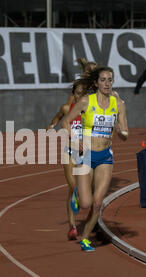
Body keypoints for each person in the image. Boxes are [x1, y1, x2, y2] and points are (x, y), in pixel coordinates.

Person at [62, 66, 128, 252]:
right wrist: (76, 140)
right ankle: (76, 193)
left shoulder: (119, 104)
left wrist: (120, 132)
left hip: (105, 156)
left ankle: (85, 239)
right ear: (96, 83)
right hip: (87, 155)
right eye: (103, 80)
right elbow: (65, 122)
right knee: (85, 204)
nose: (107, 83)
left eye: (110, 80)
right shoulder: (86, 101)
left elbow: (125, 133)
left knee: (98, 202)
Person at [46, 83, 88, 240]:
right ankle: (72, 226)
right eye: (76, 93)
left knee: (85, 188)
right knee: (72, 187)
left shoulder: (88, 110)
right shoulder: (66, 109)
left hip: (86, 152)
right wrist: (51, 125)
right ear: (73, 94)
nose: (79, 96)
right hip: (69, 151)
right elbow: (57, 118)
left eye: (82, 94)